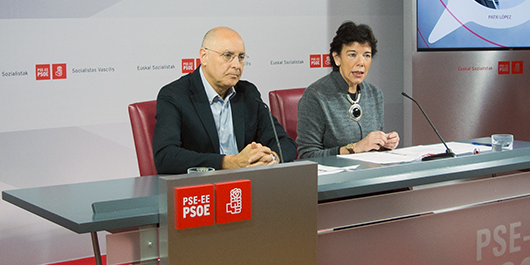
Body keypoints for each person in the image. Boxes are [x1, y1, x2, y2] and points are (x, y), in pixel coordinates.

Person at [152, 26, 296, 174]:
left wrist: (270, 159)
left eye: (241, 57)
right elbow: (166, 156)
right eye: (228, 55)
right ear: (204, 56)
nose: (236, 65)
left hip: (248, 184)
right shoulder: (175, 95)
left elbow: (284, 142)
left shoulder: (248, 93)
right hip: (201, 188)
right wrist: (230, 162)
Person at [296, 21, 399, 158]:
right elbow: (307, 155)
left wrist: (384, 144)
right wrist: (354, 148)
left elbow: (371, 150)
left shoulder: (375, 94)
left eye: (366, 55)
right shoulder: (316, 96)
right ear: (337, 58)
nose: (361, 62)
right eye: (352, 55)